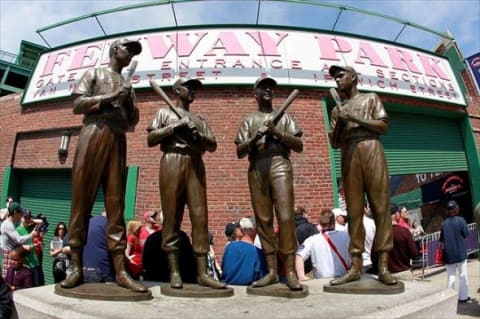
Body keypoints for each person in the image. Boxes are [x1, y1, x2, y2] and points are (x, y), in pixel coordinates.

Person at [62, 38, 146, 293]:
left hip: (117, 138)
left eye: (133, 52)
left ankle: (120, 270)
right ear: (114, 50)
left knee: (116, 205)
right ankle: (76, 267)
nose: (130, 54)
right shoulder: (95, 73)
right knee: (81, 202)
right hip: (93, 133)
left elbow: (132, 120)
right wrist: (109, 97)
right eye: (127, 49)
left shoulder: (128, 85)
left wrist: (129, 101)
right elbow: (77, 104)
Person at [147, 77, 225, 290]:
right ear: (176, 90)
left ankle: (202, 273)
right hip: (172, 159)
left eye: (194, 89)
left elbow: (213, 145)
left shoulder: (199, 119)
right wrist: (176, 126)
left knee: (200, 218)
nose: (192, 92)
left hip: (195, 163)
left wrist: (198, 135)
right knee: (171, 218)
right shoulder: (164, 113)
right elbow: (151, 139)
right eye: (188, 88)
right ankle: (174, 271)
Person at [328, 65, 397, 286]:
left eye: (341, 76)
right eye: (335, 78)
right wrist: (340, 120)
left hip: (371, 148)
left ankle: (384, 265)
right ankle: (355, 266)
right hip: (349, 153)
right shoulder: (337, 109)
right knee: (354, 211)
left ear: (354, 78)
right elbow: (334, 142)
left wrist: (356, 118)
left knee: (380, 207)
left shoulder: (370, 98)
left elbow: (384, 126)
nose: (337, 80)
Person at [234, 76, 303, 291]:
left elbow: (298, 145)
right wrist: (255, 138)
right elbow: (239, 151)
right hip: (257, 166)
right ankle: (272, 271)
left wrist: (276, 132)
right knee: (263, 219)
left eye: (271, 88)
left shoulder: (285, 118)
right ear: (255, 94)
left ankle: (290, 271)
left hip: (280, 162)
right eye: (263, 88)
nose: (267, 91)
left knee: (285, 216)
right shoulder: (249, 120)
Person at [296, 209, 350, 280]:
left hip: (321, 282)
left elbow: (299, 256)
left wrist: (301, 276)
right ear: (334, 221)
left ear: (320, 223)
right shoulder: (346, 236)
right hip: (343, 278)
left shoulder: (312, 240)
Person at [371, 207, 418, 281]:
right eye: (399, 212)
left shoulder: (379, 235)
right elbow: (414, 253)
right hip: (404, 273)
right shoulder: (404, 232)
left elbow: (374, 257)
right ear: (396, 215)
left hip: (387, 276)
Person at [221, 217, 266, 285]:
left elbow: (224, 269)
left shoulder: (230, 247)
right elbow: (261, 277)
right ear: (255, 230)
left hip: (229, 289)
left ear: (242, 229)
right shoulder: (258, 253)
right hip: (249, 291)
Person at [440, 200, 470, 303]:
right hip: (460, 252)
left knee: (451, 276)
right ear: (455, 208)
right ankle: (463, 297)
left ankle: (451, 299)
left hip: (449, 254)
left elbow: (442, 240)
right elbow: (466, 236)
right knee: (463, 275)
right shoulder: (461, 220)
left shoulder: (444, 224)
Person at [0, 202, 37, 278]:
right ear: (15, 212)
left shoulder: (11, 223)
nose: (21, 216)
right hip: (10, 256)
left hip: (13, 254)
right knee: (9, 281)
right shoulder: (8, 225)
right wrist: (31, 234)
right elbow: (19, 240)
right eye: (20, 213)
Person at [83, 212, 115, 283]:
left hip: (85, 270)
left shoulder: (89, 222)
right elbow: (115, 248)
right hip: (104, 272)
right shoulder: (111, 224)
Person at [16, 209, 44, 287]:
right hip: (26, 264)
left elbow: (42, 222)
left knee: (37, 286)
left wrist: (30, 220)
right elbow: (18, 247)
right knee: (28, 287)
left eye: (29, 217)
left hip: (35, 262)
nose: (27, 220)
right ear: (21, 218)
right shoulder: (18, 230)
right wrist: (33, 246)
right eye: (25, 217)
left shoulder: (29, 228)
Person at [294, 206, 319, 275]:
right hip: (311, 265)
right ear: (304, 214)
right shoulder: (310, 227)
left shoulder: (291, 228)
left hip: (298, 265)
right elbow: (318, 245)